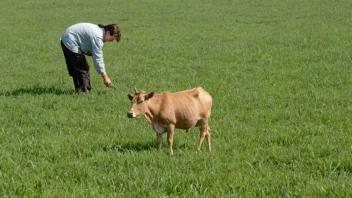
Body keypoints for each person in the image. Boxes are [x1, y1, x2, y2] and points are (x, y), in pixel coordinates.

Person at [60, 23, 121, 92]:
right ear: (108, 32)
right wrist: (105, 77)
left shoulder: (100, 31)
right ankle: (84, 93)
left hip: (66, 38)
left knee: (78, 68)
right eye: (112, 39)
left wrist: (88, 51)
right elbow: (98, 59)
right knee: (83, 69)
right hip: (70, 40)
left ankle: (80, 90)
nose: (111, 41)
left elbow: (85, 39)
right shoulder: (98, 37)